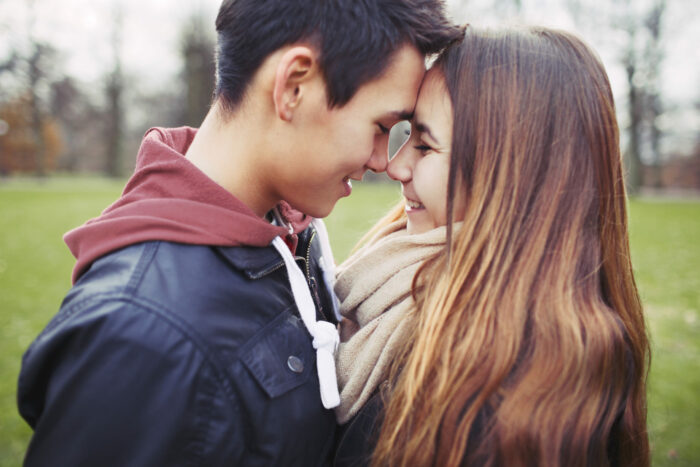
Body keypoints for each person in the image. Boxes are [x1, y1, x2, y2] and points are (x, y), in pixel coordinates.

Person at [16, 1, 462, 465]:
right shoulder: (144, 334)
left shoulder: (290, 231)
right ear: (293, 86)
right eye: (382, 126)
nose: (381, 160)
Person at [333, 26, 650, 466]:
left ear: (508, 175)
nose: (395, 165)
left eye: (424, 145)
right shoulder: (395, 280)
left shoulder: (497, 402)